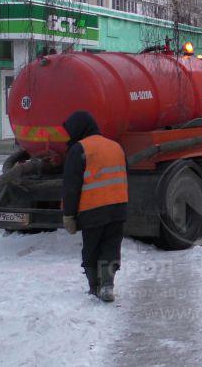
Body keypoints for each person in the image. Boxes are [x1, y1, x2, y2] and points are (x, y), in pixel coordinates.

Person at [61, 111, 128, 302]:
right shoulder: (116, 146)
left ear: (78, 128)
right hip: (118, 208)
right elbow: (125, 175)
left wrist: (69, 216)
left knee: (91, 248)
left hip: (92, 210)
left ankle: (93, 287)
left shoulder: (79, 149)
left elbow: (71, 187)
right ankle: (107, 285)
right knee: (111, 246)